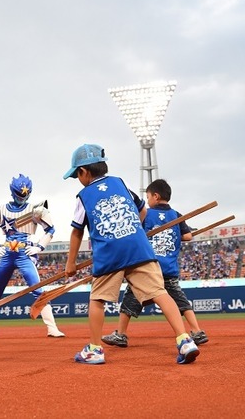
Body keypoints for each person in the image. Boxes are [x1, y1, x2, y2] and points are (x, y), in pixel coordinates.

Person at [63, 144, 199, 365]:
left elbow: (77, 231)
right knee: (159, 292)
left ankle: (95, 349)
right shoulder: (120, 183)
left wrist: (71, 263)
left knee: (97, 299)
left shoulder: (83, 195)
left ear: (84, 172)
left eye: (76, 175)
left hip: (109, 252)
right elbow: (143, 211)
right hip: (139, 248)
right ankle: (185, 340)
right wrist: (131, 231)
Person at [102, 179, 209, 348]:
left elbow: (135, 233)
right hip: (169, 268)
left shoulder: (146, 214)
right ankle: (197, 331)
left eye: (148, 196)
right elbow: (188, 236)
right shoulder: (176, 215)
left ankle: (121, 334)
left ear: (156, 196)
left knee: (130, 300)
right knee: (181, 302)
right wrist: (172, 232)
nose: (148, 200)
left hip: (149, 268)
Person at [0, 174, 65, 338]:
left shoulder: (35, 210)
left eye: (25, 194)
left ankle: (52, 328)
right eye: (20, 194)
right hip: (7, 254)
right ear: (12, 192)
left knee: (38, 291)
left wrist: (39, 247)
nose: (22, 197)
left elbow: (51, 230)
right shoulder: (0, 210)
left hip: (24, 253)